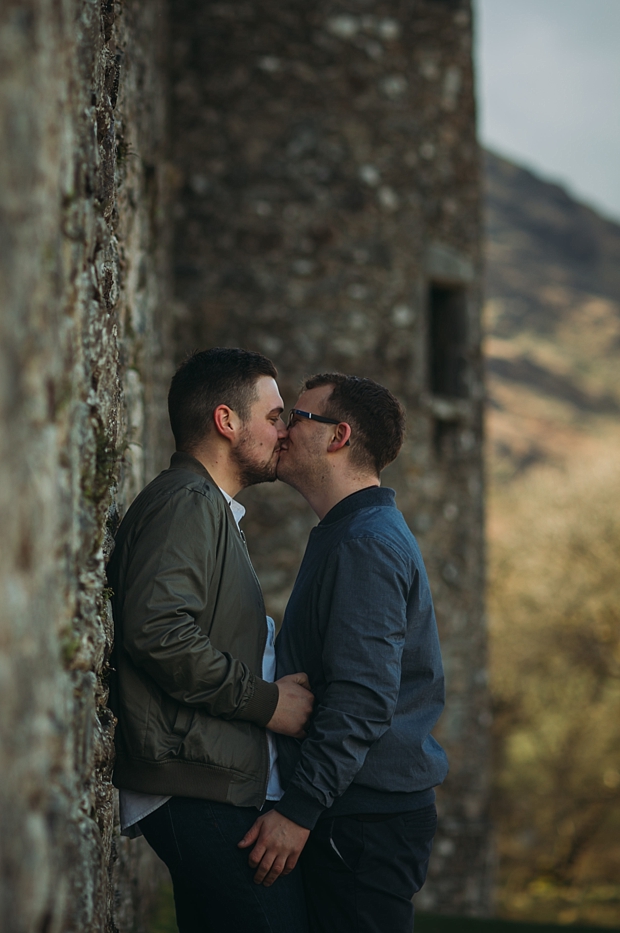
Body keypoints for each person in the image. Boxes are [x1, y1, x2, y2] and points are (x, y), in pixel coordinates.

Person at [108, 348, 315, 933]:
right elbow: (158, 632)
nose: (285, 431)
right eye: (274, 417)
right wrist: (269, 704)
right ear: (227, 422)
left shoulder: (207, 508)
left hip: (207, 784)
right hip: (197, 790)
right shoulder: (188, 503)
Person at [237, 373, 450, 933]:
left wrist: (299, 810)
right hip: (354, 812)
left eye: (297, 418)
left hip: (364, 822)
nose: (281, 429)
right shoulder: (349, 531)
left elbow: (363, 697)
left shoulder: (367, 542)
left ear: (339, 436)